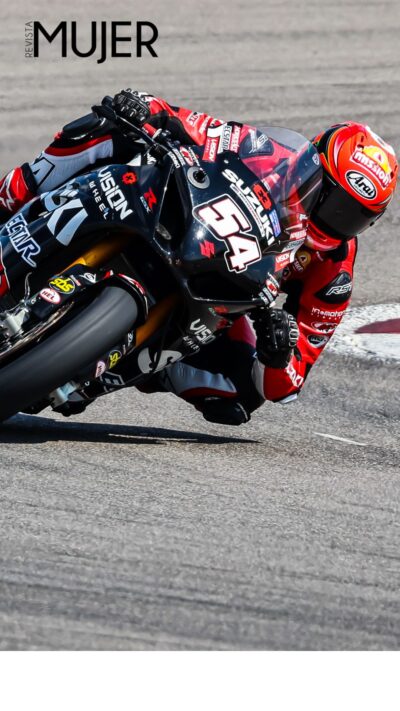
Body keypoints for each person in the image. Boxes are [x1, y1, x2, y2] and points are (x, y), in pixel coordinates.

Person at [0, 90, 397, 425]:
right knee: (108, 129)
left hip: (217, 291)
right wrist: (144, 106)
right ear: (314, 166)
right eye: (334, 202)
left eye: (354, 216)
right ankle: (11, 197)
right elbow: (189, 122)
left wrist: (278, 353)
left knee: (243, 393)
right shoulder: (265, 150)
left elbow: (289, 383)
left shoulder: (334, 272)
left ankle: (134, 366)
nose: (336, 220)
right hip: (182, 219)